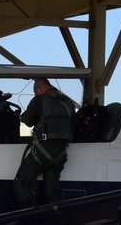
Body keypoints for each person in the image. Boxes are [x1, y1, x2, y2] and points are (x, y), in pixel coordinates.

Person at [13, 77, 75, 208]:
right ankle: (57, 217)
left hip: (42, 151)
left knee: (21, 184)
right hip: (61, 153)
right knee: (52, 190)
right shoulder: (68, 102)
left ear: (39, 89)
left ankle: (27, 213)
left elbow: (28, 121)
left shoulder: (39, 100)